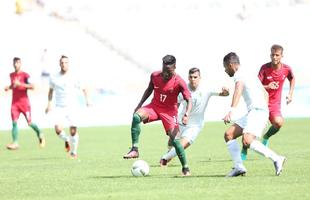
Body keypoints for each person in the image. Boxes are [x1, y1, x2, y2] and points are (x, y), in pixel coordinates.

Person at [123, 55, 193, 176]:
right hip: (154, 107)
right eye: (164, 70)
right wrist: (139, 104)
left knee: (175, 141)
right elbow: (149, 89)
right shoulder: (155, 76)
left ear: (175, 67)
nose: (165, 74)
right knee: (136, 117)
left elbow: (189, 99)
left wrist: (186, 114)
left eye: (169, 71)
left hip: (170, 112)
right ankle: (135, 149)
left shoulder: (179, 82)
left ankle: (185, 168)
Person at [222, 52, 286, 177]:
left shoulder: (239, 75)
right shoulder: (248, 73)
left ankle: (277, 158)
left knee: (247, 141)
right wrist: (265, 112)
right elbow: (265, 93)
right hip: (255, 111)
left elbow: (238, 90)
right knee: (229, 134)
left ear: (230, 65)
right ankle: (239, 167)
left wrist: (231, 111)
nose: (225, 70)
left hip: (257, 111)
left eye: (225, 67)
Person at [160, 67, 229, 166]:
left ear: (200, 78)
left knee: (182, 145)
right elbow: (176, 105)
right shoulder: (183, 89)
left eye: (195, 77)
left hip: (195, 125)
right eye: (191, 77)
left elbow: (224, 94)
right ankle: (170, 153)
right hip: (180, 121)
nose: (193, 79)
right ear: (188, 78)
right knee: (171, 142)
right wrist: (173, 119)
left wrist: (226, 92)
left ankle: (164, 159)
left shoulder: (207, 89)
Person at [241, 44, 295, 160]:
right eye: (272, 54)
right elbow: (256, 86)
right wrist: (268, 86)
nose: (274, 57)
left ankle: (266, 137)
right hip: (260, 104)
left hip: (274, 105)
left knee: (279, 122)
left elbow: (292, 78)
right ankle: (244, 149)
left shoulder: (286, 69)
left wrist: (290, 94)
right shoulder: (264, 68)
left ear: (281, 56)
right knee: (251, 132)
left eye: (277, 55)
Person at [45, 55, 90, 159]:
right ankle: (66, 139)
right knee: (57, 129)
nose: (64, 64)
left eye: (66, 62)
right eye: (62, 62)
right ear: (59, 64)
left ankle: (74, 152)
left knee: (73, 131)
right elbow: (50, 91)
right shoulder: (54, 77)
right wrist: (49, 104)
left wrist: (87, 100)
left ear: (68, 64)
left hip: (72, 107)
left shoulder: (74, 76)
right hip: (59, 107)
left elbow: (84, 88)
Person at [5, 57, 45, 150]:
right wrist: (9, 87)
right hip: (14, 103)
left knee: (29, 123)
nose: (16, 64)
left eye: (18, 63)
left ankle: (39, 133)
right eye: (14, 63)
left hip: (24, 103)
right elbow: (13, 85)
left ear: (20, 64)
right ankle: (15, 143)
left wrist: (20, 84)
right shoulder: (11, 75)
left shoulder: (25, 75)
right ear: (13, 64)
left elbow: (33, 86)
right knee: (14, 122)